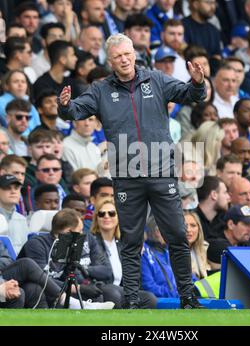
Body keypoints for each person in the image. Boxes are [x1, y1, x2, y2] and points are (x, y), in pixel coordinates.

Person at [58, 33, 206, 309]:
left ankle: (187, 295)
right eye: (117, 57)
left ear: (134, 54)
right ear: (110, 61)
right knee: (130, 240)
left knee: (176, 235)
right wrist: (65, 105)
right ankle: (132, 299)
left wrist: (197, 82)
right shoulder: (101, 89)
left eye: (127, 54)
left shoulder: (157, 79)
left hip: (162, 172)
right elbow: (75, 112)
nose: (124, 59)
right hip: (127, 175)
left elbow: (191, 94)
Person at [90, 198, 157, 308]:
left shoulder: (123, 243)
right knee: (113, 293)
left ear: (118, 217)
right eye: (102, 214)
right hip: (101, 288)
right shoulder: (91, 241)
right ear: (96, 218)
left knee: (149, 299)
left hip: (121, 289)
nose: (107, 216)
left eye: (111, 213)